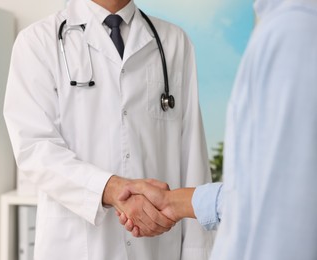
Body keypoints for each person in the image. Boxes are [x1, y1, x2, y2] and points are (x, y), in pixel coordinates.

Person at [3, 0, 215, 259]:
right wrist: (112, 189)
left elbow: (192, 156)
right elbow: (35, 149)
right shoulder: (37, 42)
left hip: (156, 247)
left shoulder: (174, 43)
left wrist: (198, 254)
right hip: (76, 246)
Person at [117, 0, 317, 259]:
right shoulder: (287, 28)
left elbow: (282, 219)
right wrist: (173, 201)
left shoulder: (293, 33)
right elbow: (255, 194)